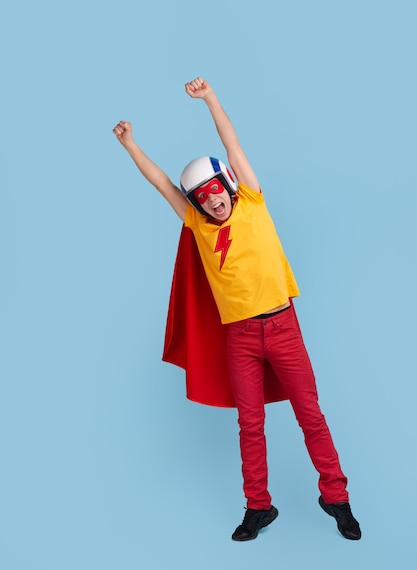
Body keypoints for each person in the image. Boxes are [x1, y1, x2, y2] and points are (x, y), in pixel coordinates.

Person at [113, 77, 361, 542]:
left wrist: (210, 98)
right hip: (240, 337)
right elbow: (161, 182)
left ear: (228, 183)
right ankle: (258, 507)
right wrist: (131, 145)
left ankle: (337, 496)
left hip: (283, 326)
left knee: (310, 414)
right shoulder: (197, 224)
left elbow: (232, 140)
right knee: (250, 424)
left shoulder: (251, 200)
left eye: (216, 188)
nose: (213, 198)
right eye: (202, 195)